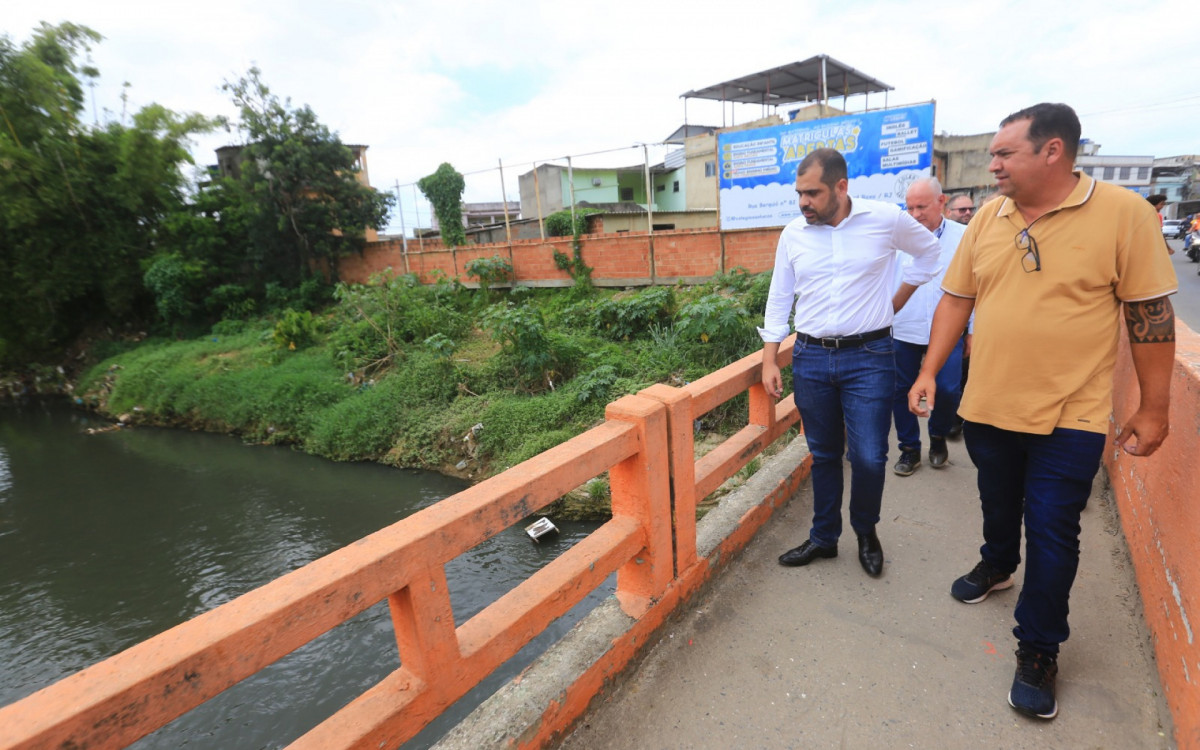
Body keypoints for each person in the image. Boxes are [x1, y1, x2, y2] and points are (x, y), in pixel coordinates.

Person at [908, 103, 1177, 720]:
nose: (993, 164)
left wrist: (1153, 407)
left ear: (1052, 151)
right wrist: (928, 371)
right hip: (988, 404)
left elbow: (1149, 316)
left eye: (1004, 153)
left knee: (1054, 529)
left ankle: (1038, 648)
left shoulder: (1123, 215)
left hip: (1071, 414)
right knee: (998, 504)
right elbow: (956, 298)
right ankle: (999, 563)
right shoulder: (987, 220)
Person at [759, 148, 940, 577]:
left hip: (871, 356)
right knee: (822, 454)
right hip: (810, 357)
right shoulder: (794, 234)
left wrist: (894, 301)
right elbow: (779, 297)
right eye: (799, 193)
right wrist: (770, 359)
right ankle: (824, 538)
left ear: (841, 187)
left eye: (813, 193)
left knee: (870, 456)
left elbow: (929, 254)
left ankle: (865, 531)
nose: (804, 202)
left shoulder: (885, 219)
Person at [891, 177, 968, 476]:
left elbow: (973, 287)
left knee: (949, 389)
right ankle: (909, 449)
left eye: (921, 206)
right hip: (904, 327)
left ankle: (937, 435)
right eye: (909, 207)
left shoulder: (964, 237)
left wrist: (971, 329)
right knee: (900, 390)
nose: (915, 214)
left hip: (949, 330)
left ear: (941, 202)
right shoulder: (898, 240)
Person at [944, 193, 975, 438]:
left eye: (969, 209)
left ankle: (957, 418)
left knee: (960, 377)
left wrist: (973, 329)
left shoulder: (974, 236)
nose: (967, 213)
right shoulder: (944, 239)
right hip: (940, 321)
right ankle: (949, 421)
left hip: (968, 322)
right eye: (961, 209)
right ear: (948, 211)